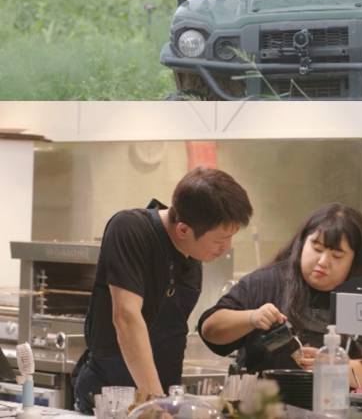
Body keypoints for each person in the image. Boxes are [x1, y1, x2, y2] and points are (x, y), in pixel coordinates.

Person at [73, 167, 253, 413]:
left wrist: (166, 404)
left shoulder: (191, 253)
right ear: (183, 230)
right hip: (114, 399)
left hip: (164, 400)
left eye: (231, 237)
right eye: (220, 240)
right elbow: (126, 317)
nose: (226, 247)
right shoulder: (130, 229)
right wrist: (155, 403)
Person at [198, 202, 362, 382]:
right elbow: (209, 329)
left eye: (337, 255)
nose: (323, 261)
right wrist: (251, 318)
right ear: (302, 243)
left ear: (355, 260)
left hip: (339, 399)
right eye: (317, 248)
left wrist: (336, 368)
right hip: (265, 398)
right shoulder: (267, 282)